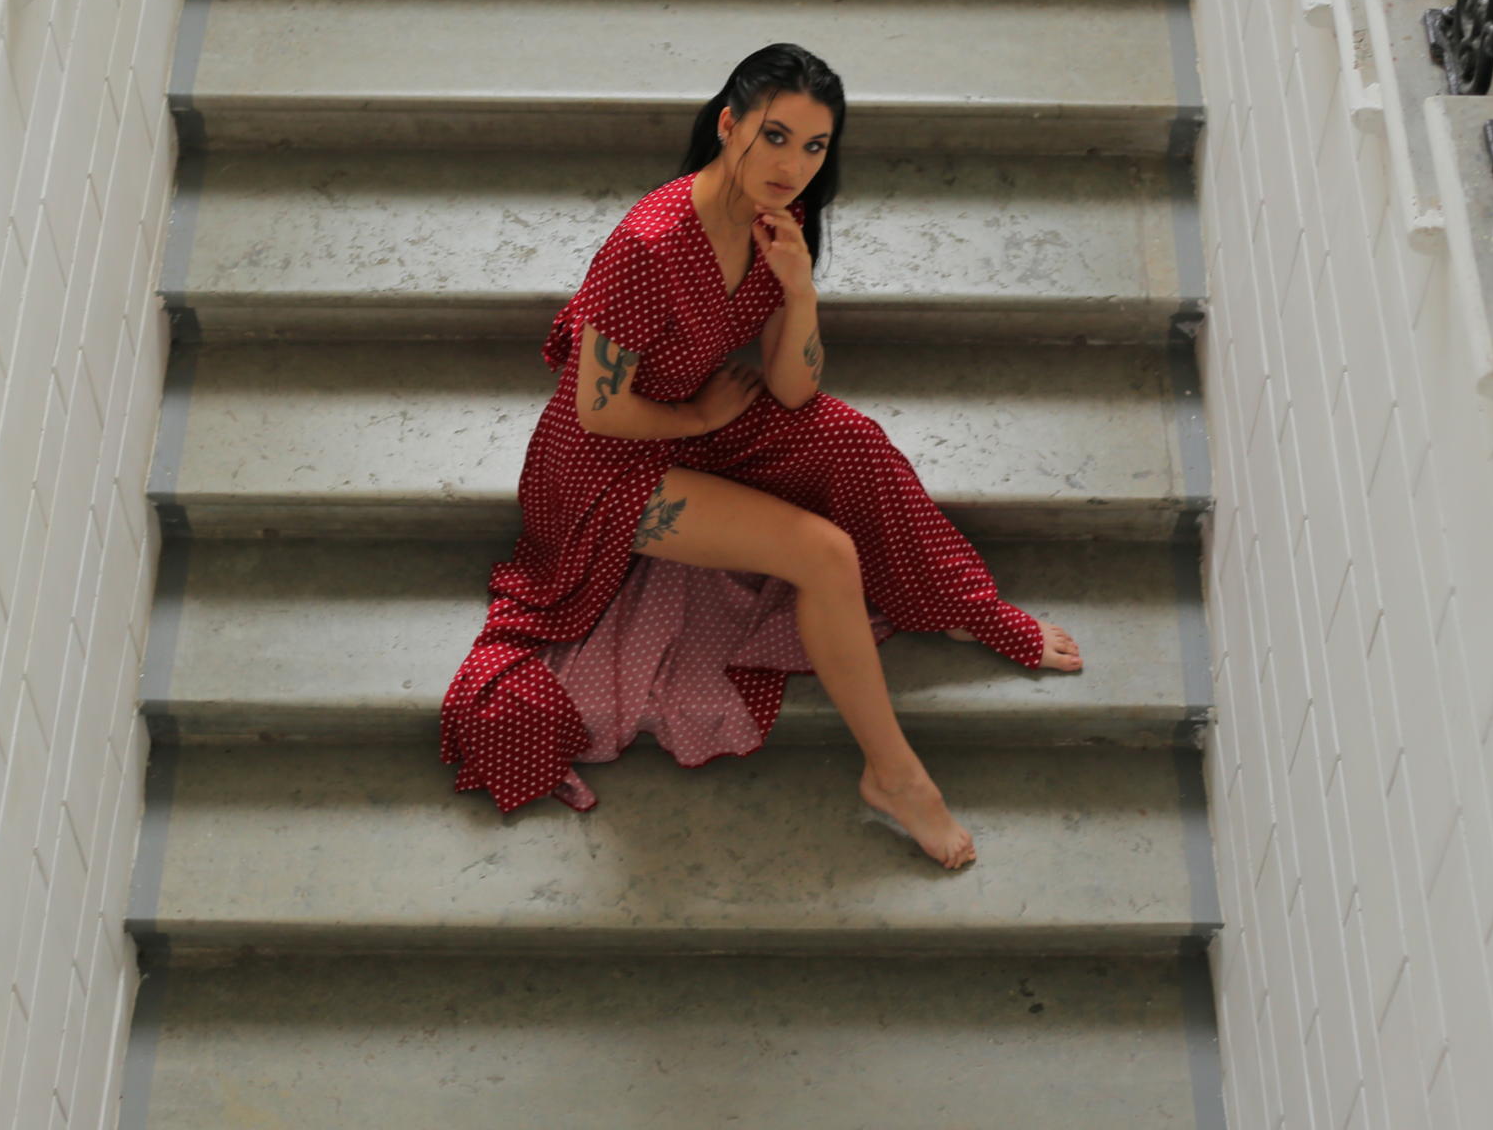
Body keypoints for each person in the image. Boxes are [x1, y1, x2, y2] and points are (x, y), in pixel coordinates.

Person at [437, 43, 1083, 869]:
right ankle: (897, 777)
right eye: (774, 136)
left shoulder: (783, 218)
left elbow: (793, 389)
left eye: (814, 146)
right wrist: (698, 414)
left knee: (852, 441)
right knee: (826, 554)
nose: (792, 165)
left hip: (694, 417)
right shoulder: (650, 243)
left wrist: (799, 288)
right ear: (728, 123)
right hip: (602, 465)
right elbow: (597, 408)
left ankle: (947, 597)